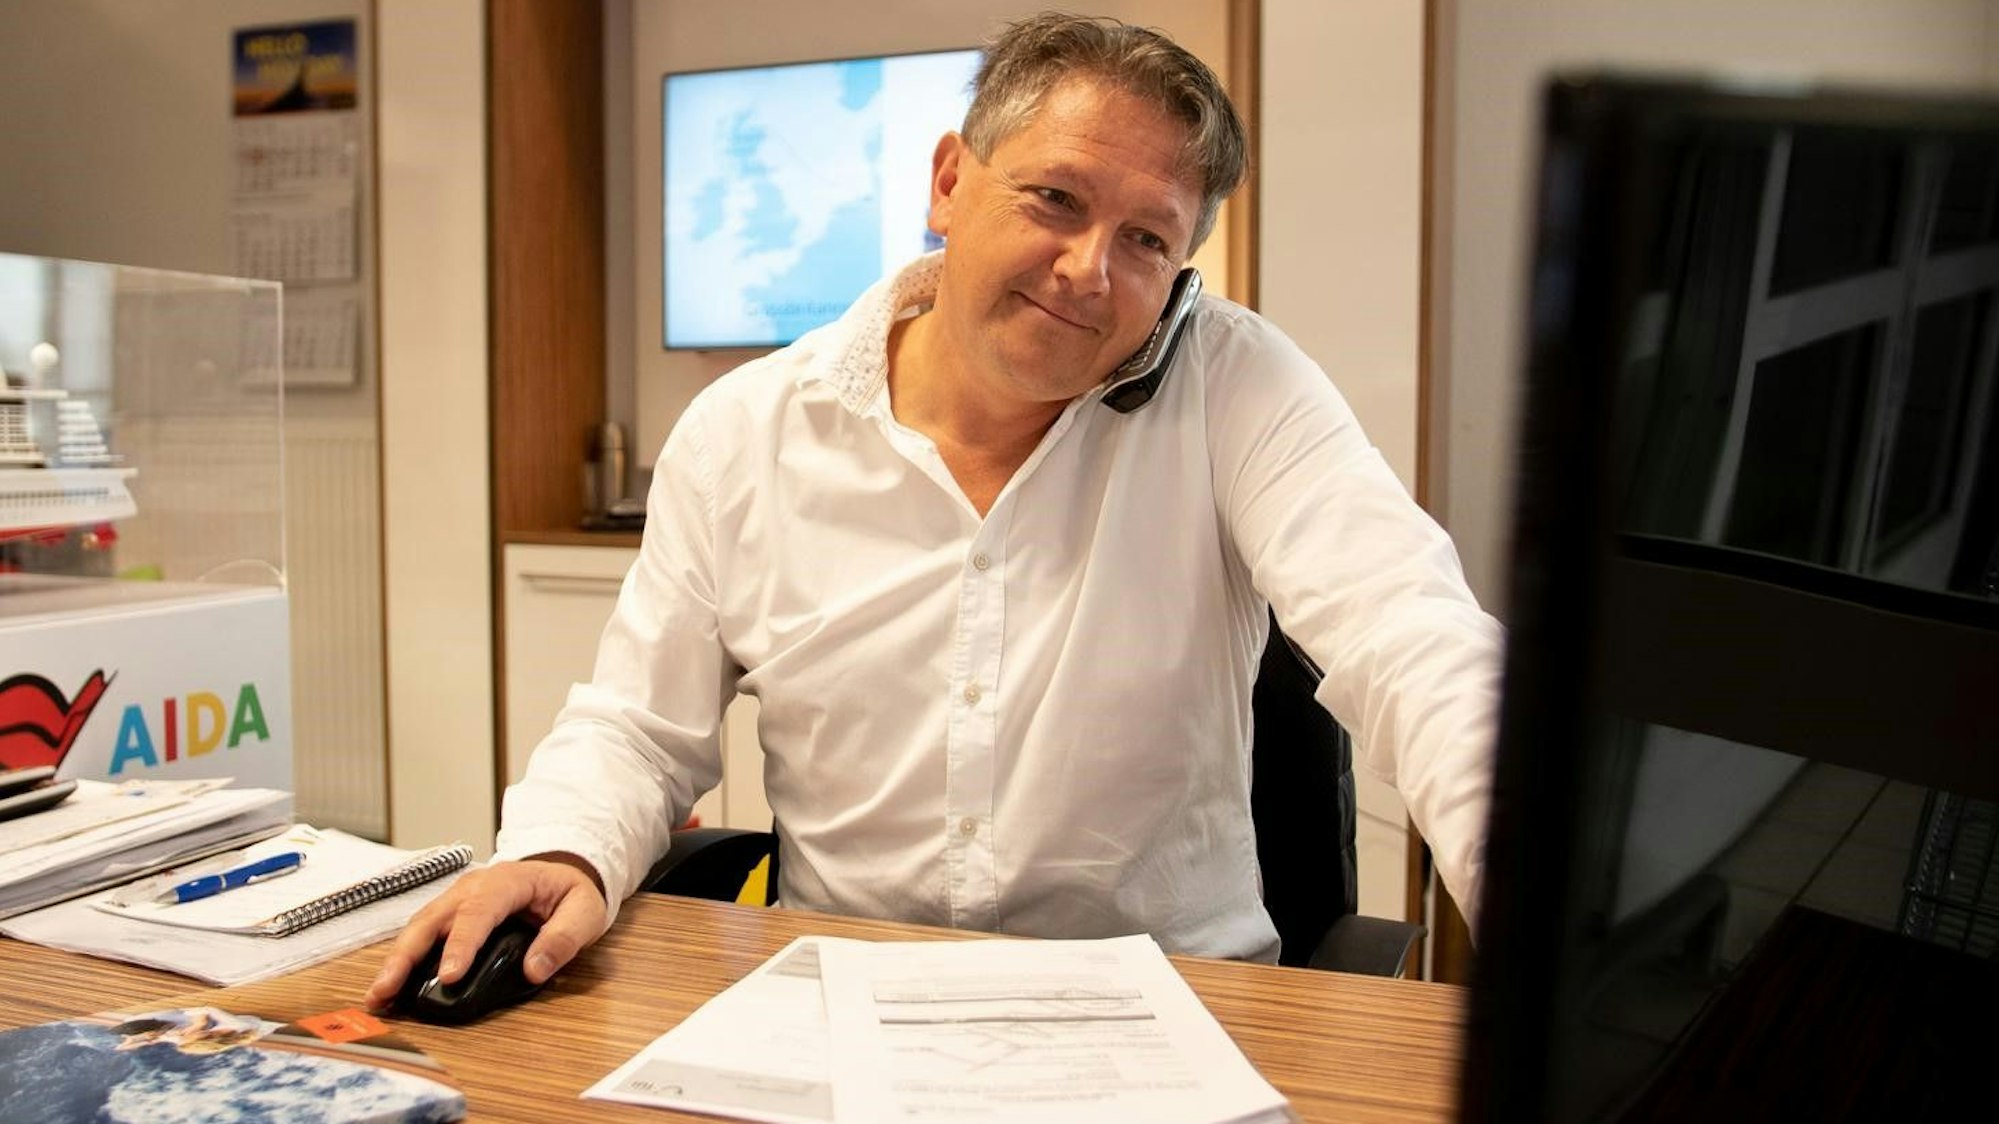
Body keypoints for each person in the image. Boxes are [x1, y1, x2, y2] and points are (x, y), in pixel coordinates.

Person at [366, 12, 1502, 1009]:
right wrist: (564, 847)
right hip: (843, 1000)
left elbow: (1410, 633)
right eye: (1054, 198)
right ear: (949, 180)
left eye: (1145, 239)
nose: (1086, 270)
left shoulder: (1236, 387)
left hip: (1167, 1011)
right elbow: (636, 725)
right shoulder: (746, 431)